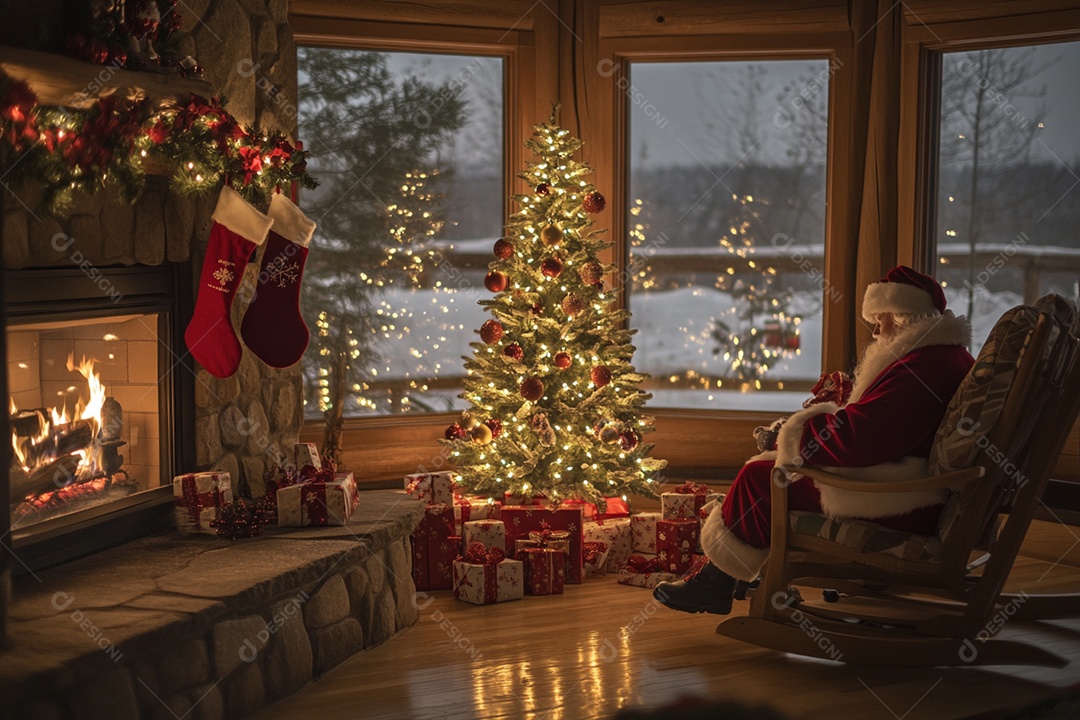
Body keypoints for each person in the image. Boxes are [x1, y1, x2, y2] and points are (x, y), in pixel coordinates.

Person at [655, 265, 975, 615]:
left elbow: (859, 439)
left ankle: (718, 584)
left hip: (898, 501)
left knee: (760, 480)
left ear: (903, 315)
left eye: (882, 318)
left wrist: (798, 430)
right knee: (771, 467)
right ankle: (734, 577)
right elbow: (881, 427)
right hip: (910, 487)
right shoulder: (942, 356)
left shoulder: (920, 367)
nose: (878, 328)